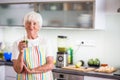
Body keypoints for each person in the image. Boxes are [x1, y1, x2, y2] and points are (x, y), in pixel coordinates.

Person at [12, 11, 54, 80]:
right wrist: (21, 52)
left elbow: (50, 65)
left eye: (34, 23)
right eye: (28, 23)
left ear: (39, 26)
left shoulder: (46, 42)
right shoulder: (17, 43)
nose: (31, 26)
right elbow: (17, 70)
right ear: (24, 25)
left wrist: (32, 71)